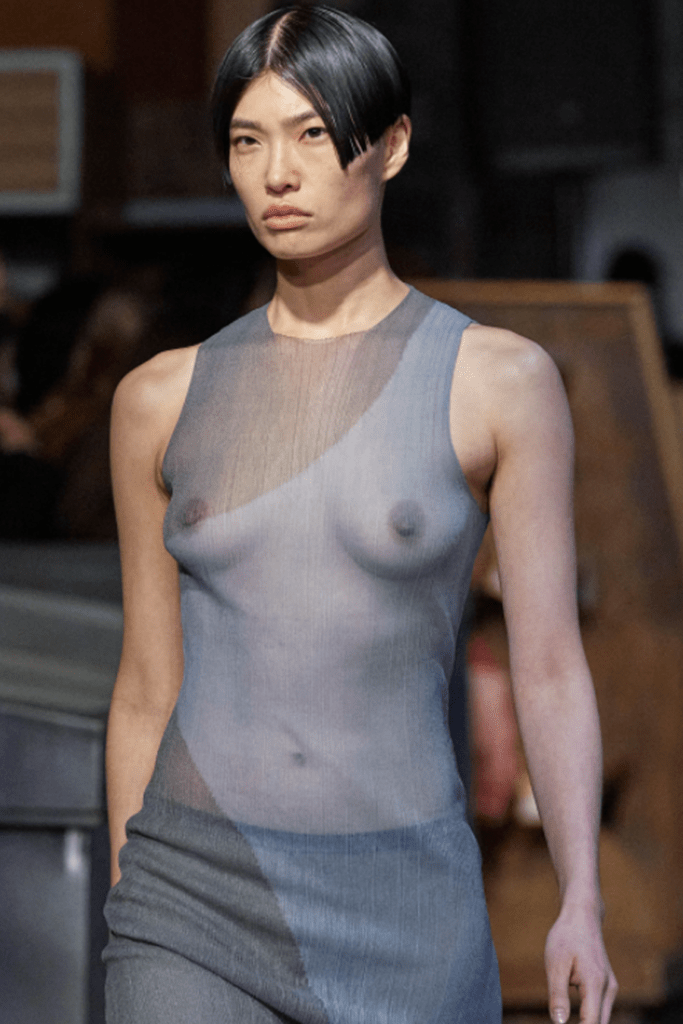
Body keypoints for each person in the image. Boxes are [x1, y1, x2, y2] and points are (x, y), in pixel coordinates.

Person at [102, 6, 617, 1023]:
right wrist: (127, 897)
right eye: (247, 141)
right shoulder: (158, 399)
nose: (276, 174)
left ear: (391, 145)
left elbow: (550, 663)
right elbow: (146, 687)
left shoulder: (497, 383)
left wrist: (580, 900)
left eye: (310, 134)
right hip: (187, 898)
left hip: (407, 903)